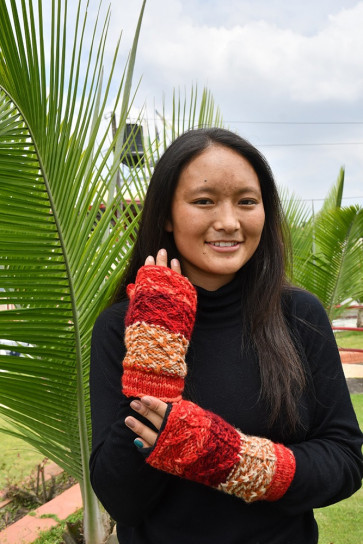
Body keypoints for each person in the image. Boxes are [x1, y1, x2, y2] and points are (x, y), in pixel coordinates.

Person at [89, 127, 363, 544]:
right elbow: (123, 502)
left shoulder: (299, 315)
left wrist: (229, 458)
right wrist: (157, 354)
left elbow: (344, 462)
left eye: (247, 202)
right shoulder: (120, 326)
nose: (229, 222)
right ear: (166, 213)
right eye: (204, 201)